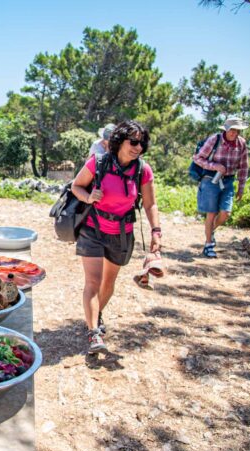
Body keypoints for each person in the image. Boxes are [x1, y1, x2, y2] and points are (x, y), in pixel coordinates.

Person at [71, 120, 161, 354]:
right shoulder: (98, 162)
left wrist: (156, 231)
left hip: (121, 233)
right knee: (92, 281)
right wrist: (89, 197)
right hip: (93, 229)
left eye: (142, 143)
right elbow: (76, 187)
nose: (138, 147)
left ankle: (96, 314)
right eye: (133, 142)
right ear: (119, 141)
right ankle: (94, 334)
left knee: (108, 283)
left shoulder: (143, 170)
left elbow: (150, 204)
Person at [193, 116, 249, 258]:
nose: (234, 134)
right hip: (211, 179)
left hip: (228, 180)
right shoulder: (214, 140)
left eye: (237, 131)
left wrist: (241, 187)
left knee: (226, 213)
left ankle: (210, 231)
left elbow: (243, 167)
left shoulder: (241, 144)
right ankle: (208, 244)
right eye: (232, 130)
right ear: (226, 129)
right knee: (211, 213)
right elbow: (198, 158)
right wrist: (214, 166)